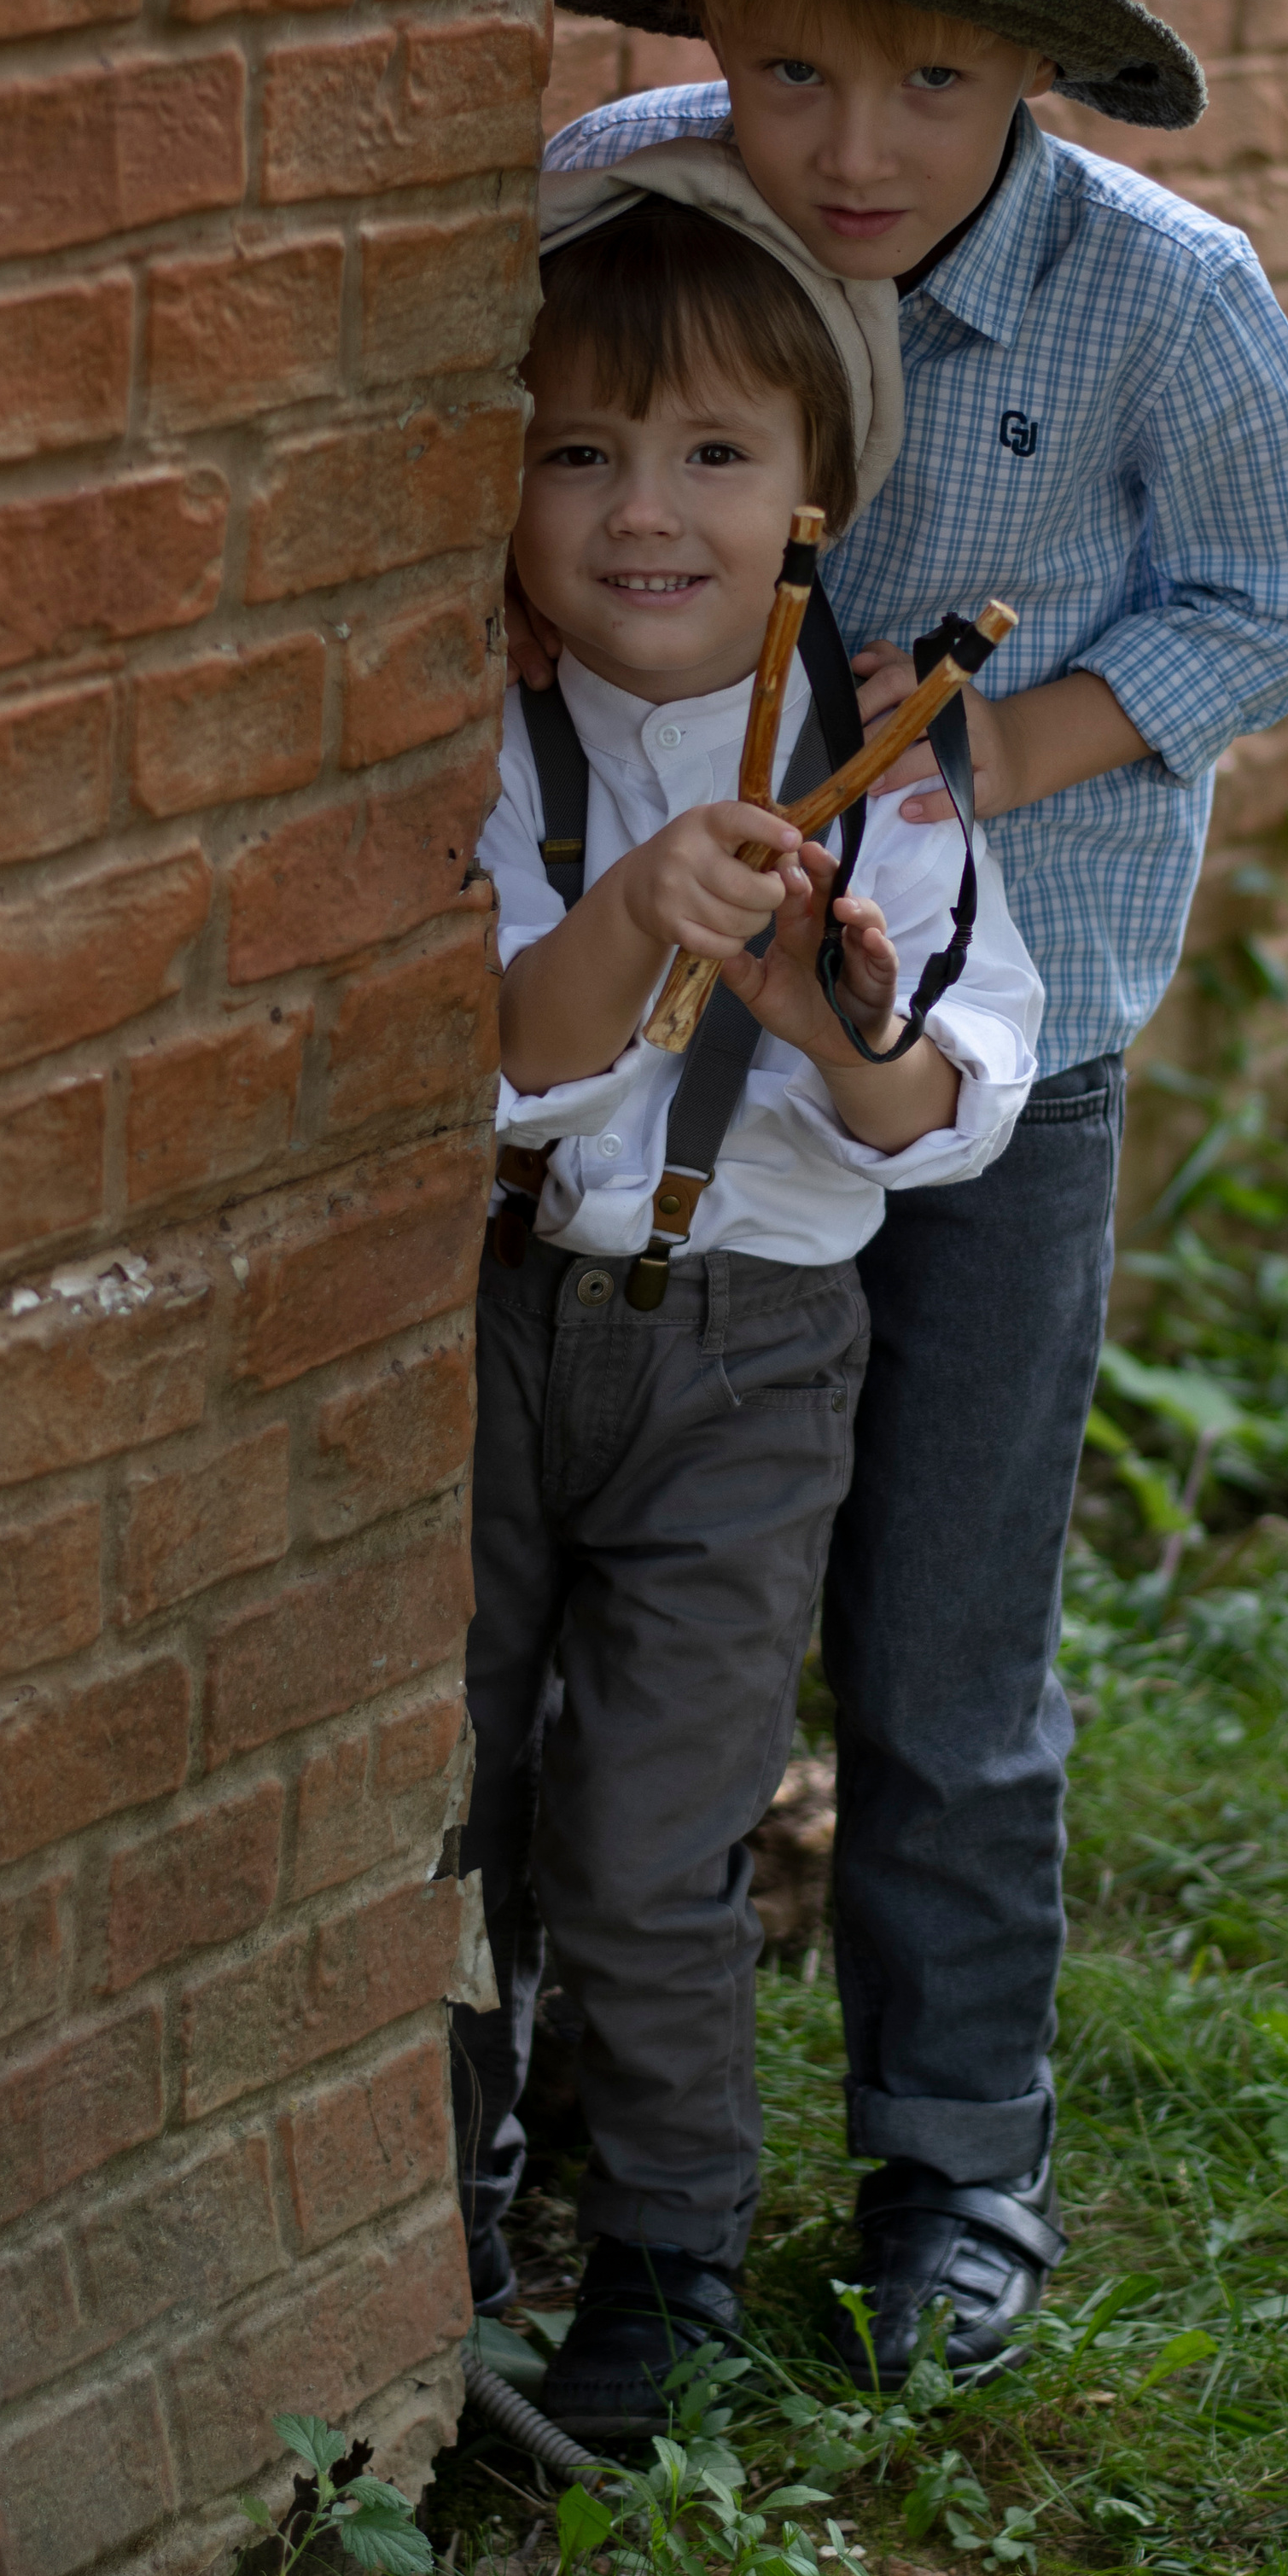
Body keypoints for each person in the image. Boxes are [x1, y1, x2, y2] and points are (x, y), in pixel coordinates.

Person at [527, 0, 1288, 2387]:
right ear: (707, 33)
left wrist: (985, 755)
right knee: (612, 1596)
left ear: (1039, 63)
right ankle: (566, 2106)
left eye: (930, 77)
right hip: (653, 1062)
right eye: (788, 68)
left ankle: (953, 2158)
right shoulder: (623, 198)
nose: (849, 147)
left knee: (940, 1634)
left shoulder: (1165, 296)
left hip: (1000, 1061)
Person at [458, 180, 1045, 2435]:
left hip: (747, 1363)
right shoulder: (484, 735)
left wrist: (828, 1023)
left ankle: (668, 2255)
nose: (643, 510)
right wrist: (630, 915)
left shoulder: (889, 768)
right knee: (453, 1806)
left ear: (817, 496)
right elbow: (503, 1064)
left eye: (712, 454)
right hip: (504, 1332)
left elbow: (953, 1105)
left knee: (645, 1837)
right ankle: (446, 2221)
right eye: (580, 451)